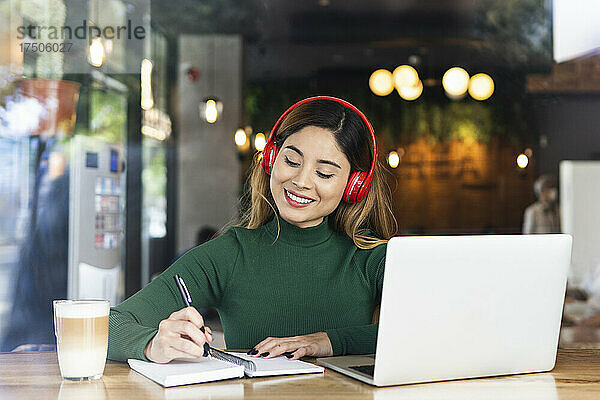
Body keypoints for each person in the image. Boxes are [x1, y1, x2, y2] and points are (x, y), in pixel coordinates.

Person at [107, 96, 397, 363]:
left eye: (324, 173)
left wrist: (326, 341)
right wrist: (151, 343)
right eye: (292, 161)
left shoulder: (373, 257)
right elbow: (110, 325)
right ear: (271, 158)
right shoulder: (230, 254)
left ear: (353, 185)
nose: (301, 181)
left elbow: (434, 330)